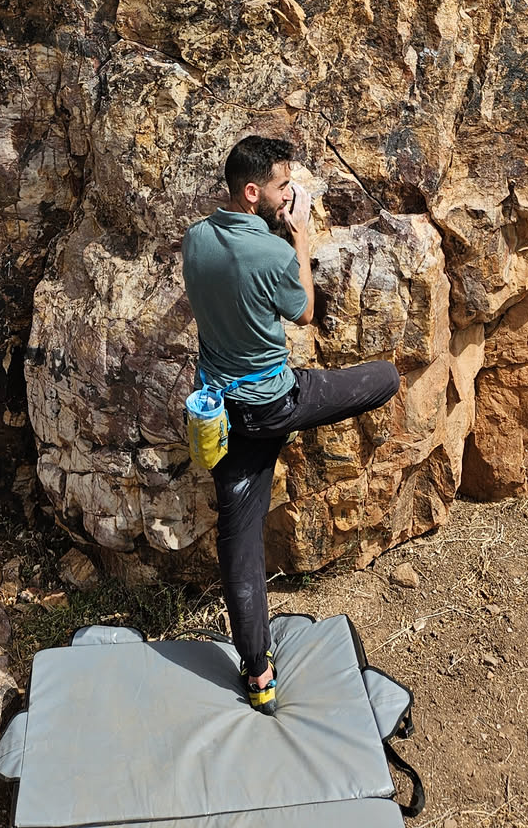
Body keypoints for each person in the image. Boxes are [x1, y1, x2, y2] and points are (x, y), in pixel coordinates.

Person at [181, 134, 401, 715]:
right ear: (253, 192)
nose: (290, 194)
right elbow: (303, 310)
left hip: (224, 415)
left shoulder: (194, 239)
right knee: (382, 377)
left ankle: (258, 673)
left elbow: (232, 281)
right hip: (276, 403)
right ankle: (387, 380)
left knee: (239, 538)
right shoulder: (273, 252)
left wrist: (270, 228)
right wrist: (298, 236)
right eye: (283, 186)